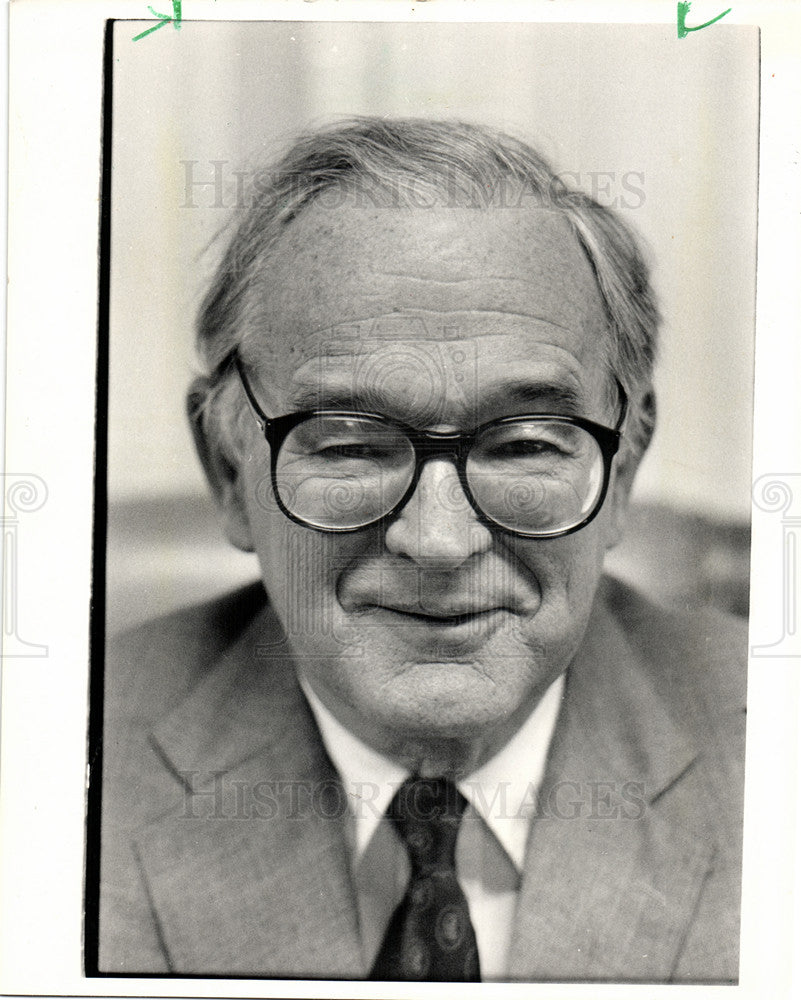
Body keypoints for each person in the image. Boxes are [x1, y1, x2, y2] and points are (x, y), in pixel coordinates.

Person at [98, 117, 747, 982]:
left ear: (621, 467)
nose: (438, 541)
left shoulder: (770, 750)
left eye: (522, 443)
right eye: (351, 443)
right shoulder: (56, 765)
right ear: (227, 468)